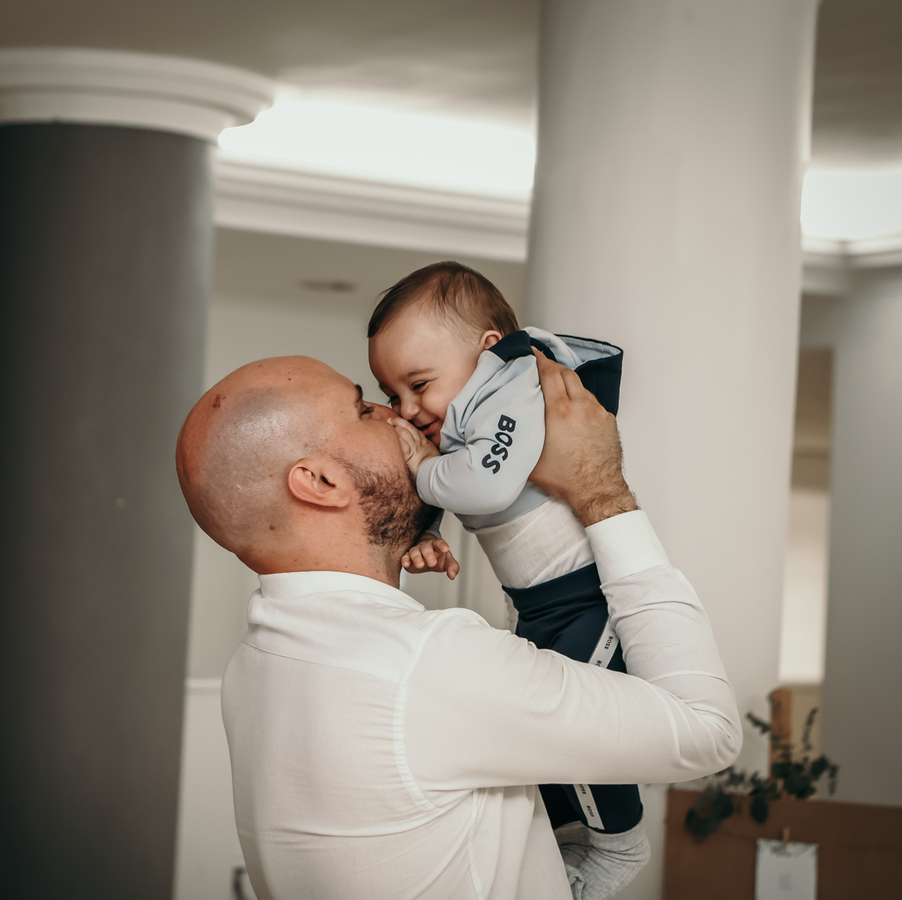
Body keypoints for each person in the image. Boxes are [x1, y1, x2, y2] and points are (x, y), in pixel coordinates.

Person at [175, 352, 740, 900]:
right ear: (320, 482)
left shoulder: (253, 667)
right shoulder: (424, 665)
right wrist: (601, 490)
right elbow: (707, 730)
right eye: (365, 409)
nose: (401, 415)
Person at [367, 261, 644, 897]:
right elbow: (472, 492)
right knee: (538, 732)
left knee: (576, 732)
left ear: (487, 348)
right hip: (536, 603)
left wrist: (421, 465)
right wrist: (423, 532)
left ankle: (621, 845)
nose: (409, 409)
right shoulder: (473, 412)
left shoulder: (516, 384)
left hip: (584, 598)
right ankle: (574, 836)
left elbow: (487, 482)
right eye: (392, 394)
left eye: (419, 384)